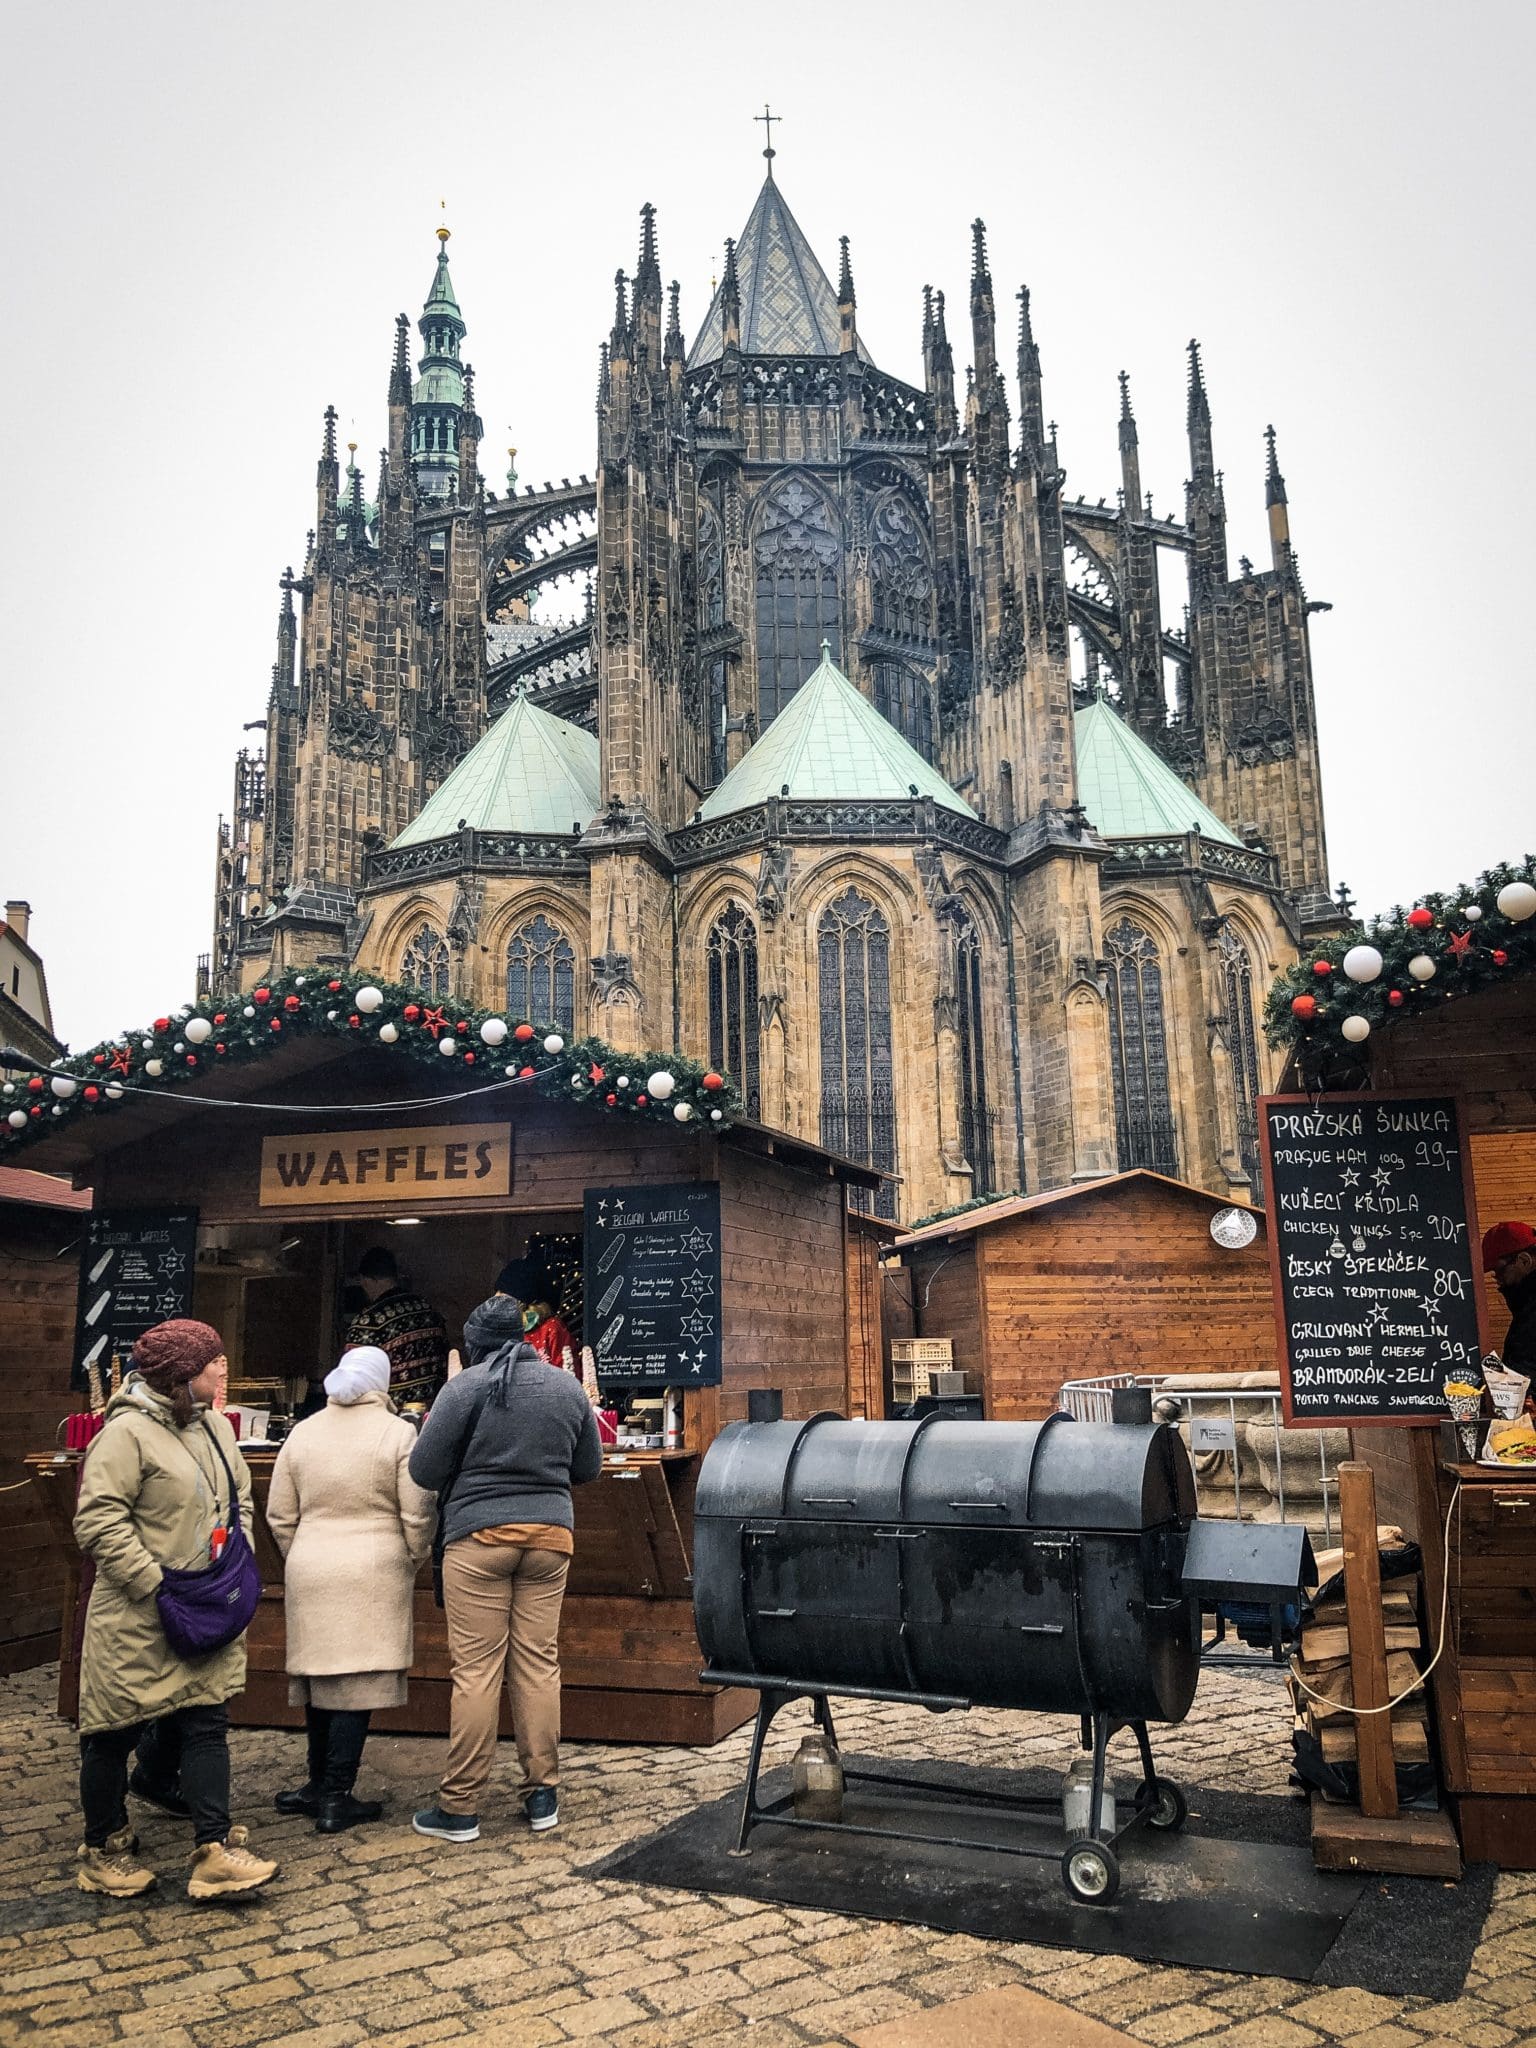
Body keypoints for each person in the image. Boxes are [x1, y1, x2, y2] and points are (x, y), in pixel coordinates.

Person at [72, 1319, 278, 1900]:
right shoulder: (125, 1435)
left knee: (206, 1718)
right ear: (182, 1377)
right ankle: (103, 1847)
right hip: (137, 1613)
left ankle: (214, 1849)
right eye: (212, 1362)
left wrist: (233, 1555)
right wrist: (150, 1583)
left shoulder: (214, 1426)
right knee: (114, 1731)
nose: (222, 1370)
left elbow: (239, 1494)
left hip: (206, 1602)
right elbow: (98, 1520)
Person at [408, 1291, 602, 1843]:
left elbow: (423, 1469)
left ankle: (460, 1806)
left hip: (478, 1538)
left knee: (476, 1671)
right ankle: (542, 1793)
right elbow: (587, 1467)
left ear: (475, 1346)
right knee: (539, 1664)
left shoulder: (463, 1387)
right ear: (522, 1337)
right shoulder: (565, 1387)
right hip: (549, 1537)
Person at [265, 1346, 436, 1833]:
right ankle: (337, 1795)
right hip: (374, 1569)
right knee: (355, 1686)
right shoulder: (398, 1434)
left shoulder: (303, 1433)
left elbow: (279, 1514)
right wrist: (411, 1556)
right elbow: (418, 1512)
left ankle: (318, 1784)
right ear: (380, 1384)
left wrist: (303, 1552)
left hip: (311, 1565)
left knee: (321, 1682)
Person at [344, 1246, 449, 1407]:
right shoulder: (427, 1308)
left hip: (390, 1417)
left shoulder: (369, 1321)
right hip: (432, 1411)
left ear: (366, 1280)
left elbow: (353, 1380)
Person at [495, 1256, 578, 1375]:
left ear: (521, 1300)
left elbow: (568, 1373)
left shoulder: (551, 1329)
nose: (496, 1298)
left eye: (502, 1293)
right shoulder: (496, 1327)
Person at [1483, 1220, 1536, 1375]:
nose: (1497, 1278)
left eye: (1499, 1270)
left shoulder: (1530, 1307)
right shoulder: (1526, 1303)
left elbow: (1527, 1365)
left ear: (1524, 1261)